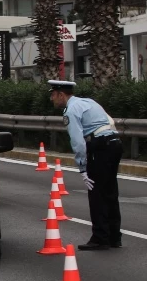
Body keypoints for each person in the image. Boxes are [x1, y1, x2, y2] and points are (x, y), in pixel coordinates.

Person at [49, 79, 122, 250]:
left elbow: (78, 142)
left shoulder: (71, 110)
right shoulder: (88, 102)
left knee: (96, 194)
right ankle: (114, 236)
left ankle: (100, 237)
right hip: (115, 144)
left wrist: (82, 168)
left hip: (100, 148)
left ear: (61, 94)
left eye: (53, 95)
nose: (51, 99)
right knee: (110, 192)